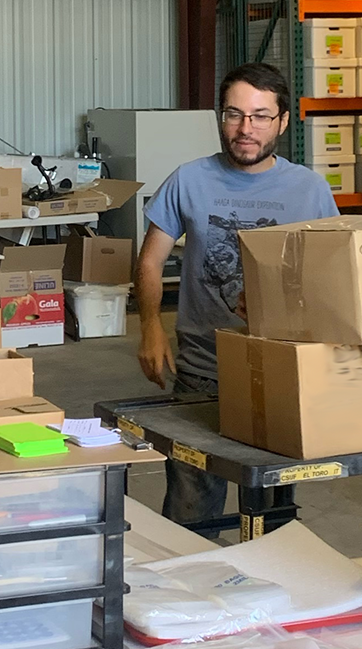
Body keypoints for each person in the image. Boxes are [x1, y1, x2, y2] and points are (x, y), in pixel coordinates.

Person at [135, 62, 339, 527]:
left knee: (274, 512)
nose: (246, 129)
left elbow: (333, 278)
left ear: (283, 122)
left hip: (281, 373)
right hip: (203, 368)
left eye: (261, 116)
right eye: (234, 114)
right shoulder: (188, 180)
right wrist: (150, 327)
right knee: (190, 505)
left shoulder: (310, 190)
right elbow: (150, 261)